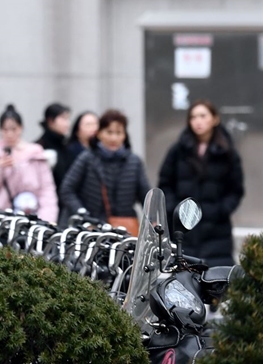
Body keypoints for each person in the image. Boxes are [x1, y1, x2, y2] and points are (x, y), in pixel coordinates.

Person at [158, 100, 244, 267]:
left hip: (216, 231)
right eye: (193, 117)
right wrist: (175, 210)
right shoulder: (178, 150)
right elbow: (165, 183)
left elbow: (236, 190)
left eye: (203, 116)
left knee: (215, 283)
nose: (197, 121)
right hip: (183, 231)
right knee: (182, 282)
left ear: (215, 119)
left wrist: (220, 210)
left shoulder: (227, 152)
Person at [60, 109, 151, 233]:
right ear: (99, 133)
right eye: (109, 132)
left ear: (124, 135)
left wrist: (153, 218)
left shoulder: (134, 162)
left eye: (119, 133)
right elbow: (67, 189)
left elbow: (146, 195)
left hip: (123, 230)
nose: (114, 138)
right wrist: (82, 214)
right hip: (90, 229)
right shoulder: (87, 158)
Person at [0, 104, 58, 222]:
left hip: (33, 219)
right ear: (0, 130)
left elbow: (47, 189)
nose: (10, 134)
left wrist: (46, 219)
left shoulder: (35, 153)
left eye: (14, 129)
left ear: (21, 128)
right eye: (5, 129)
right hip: (0, 220)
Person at [36, 103, 73, 189]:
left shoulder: (67, 146)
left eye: (68, 119)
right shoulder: (39, 147)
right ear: (50, 121)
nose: (67, 123)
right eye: (63, 118)